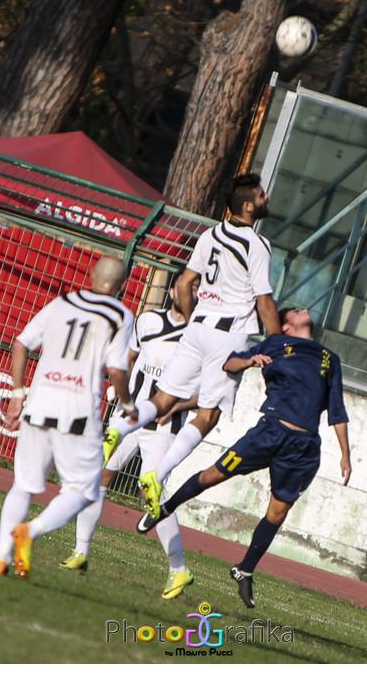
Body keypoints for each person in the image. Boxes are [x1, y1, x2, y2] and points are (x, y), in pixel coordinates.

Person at [135, 306, 352, 610]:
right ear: (286, 325)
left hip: (303, 447)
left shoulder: (330, 358)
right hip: (270, 432)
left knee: (278, 513)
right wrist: (250, 361)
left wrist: (345, 455)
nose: (304, 309)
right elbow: (229, 364)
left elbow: (337, 410)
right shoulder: (276, 342)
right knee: (214, 475)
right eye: (296, 310)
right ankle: (165, 508)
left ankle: (245, 569)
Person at [102, 174, 282, 521]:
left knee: (164, 398)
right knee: (209, 414)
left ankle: (119, 428)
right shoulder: (257, 245)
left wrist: (192, 316)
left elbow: (185, 282)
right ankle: (156, 474)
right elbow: (265, 302)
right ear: (248, 205)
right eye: (261, 194)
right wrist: (279, 346)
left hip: (196, 328)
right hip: (227, 336)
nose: (266, 197)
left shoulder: (210, 234)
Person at [0, 255, 135, 580]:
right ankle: (30, 532)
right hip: (78, 413)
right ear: (122, 285)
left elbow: (21, 342)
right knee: (83, 492)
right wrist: (127, 403)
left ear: (92, 274)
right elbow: (117, 370)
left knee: (23, 485)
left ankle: (0, 557)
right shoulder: (120, 316)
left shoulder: (61, 302)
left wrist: (16, 393)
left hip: (38, 404)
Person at [59, 271, 199, 600]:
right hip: (131, 414)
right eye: (186, 285)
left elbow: (204, 392)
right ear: (173, 290)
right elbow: (130, 357)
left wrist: (176, 406)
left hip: (164, 423)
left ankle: (179, 570)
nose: (190, 291)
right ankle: (81, 552)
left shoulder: (199, 336)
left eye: (195, 287)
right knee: (99, 474)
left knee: (151, 491)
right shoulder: (148, 321)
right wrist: (118, 390)